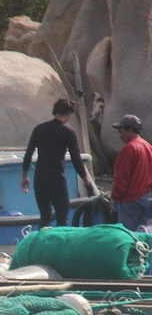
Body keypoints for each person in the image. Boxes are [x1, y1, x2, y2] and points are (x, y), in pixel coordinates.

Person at [21, 98, 97, 229]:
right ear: (67, 114)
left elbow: (28, 154)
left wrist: (25, 176)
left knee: (44, 217)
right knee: (62, 216)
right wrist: (86, 179)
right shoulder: (68, 133)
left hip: (40, 179)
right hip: (57, 178)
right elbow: (76, 159)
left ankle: (41, 245)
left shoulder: (39, 129)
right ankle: (60, 245)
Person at [110, 114, 152, 230]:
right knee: (144, 235)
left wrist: (113, 198)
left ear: (129, 130)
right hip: (146, 198)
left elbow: (122, 178)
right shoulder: (148, 146)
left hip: (131, 201)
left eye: (121, 131)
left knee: (127, 234)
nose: (120, 135)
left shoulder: (129, 149)